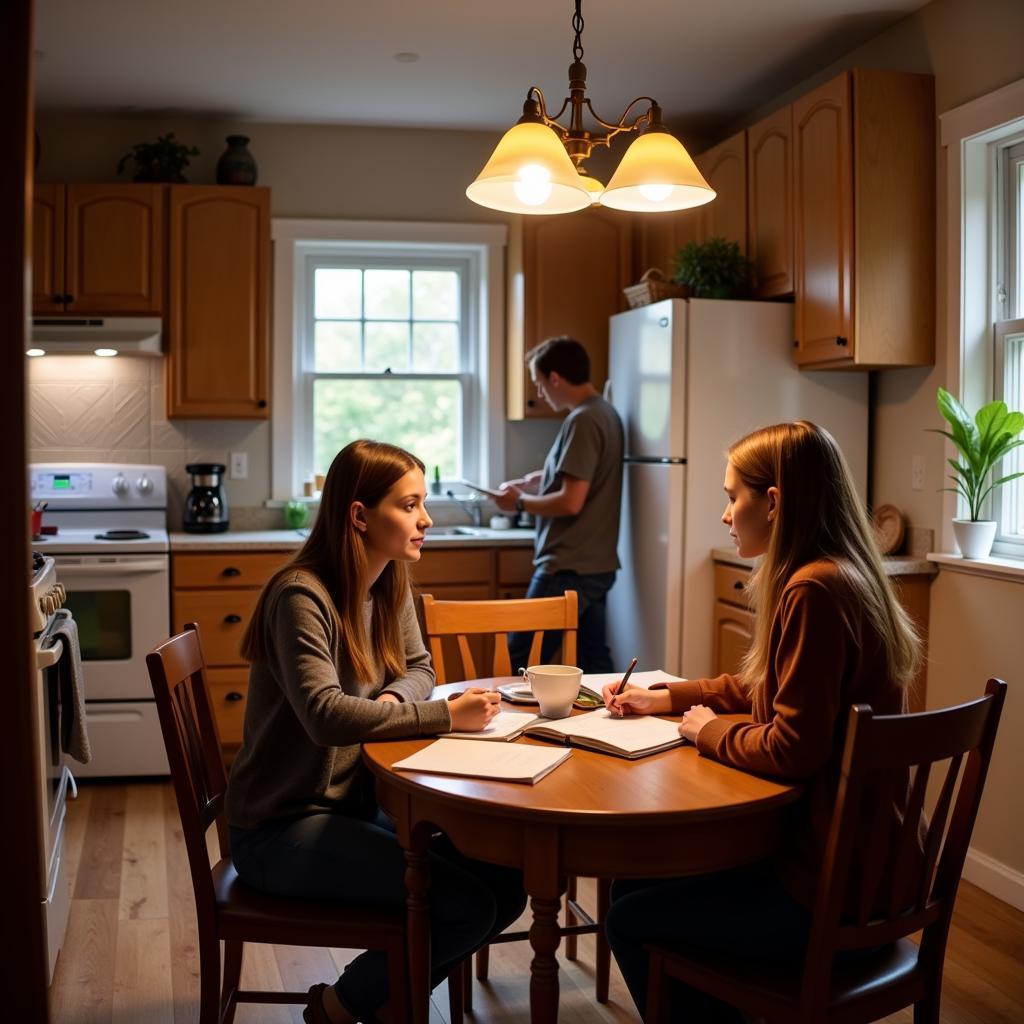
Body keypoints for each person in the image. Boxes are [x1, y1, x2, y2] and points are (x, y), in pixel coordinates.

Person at [600, 421, 922, 1022]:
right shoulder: (845, 573)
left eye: (731, 497)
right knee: (630, 884)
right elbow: (775, 688)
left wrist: (706, 730)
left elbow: (793, 746)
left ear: (772, 502)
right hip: (879, 878)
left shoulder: (813, 590)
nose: (725, 515)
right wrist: (668, 697)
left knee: (626, 915)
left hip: (828, 893)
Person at [226, 439, 526, 1024]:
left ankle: (383, 1002)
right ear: (360, 516)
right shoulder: (300, 595)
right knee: (461, 903)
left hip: (351, 804)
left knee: (508, 882)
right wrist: (443, 714)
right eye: (409, 505)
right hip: (280, 826)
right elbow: (326, 716)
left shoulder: (387, 582)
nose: (426, 518)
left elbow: (420, 669)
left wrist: (391, 700)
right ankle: (339, 1008)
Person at [495, 335, 624, 673]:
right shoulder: (604, 412)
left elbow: (571, 501)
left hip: (568, 566)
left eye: (539, 383)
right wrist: (536, 480)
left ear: (555, 378)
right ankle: (610, 724)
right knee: (594, 660)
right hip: (595, 564)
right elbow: (580, 474)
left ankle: (513, 726)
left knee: (521, 656)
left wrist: (520, 503)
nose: (540, 393)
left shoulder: (582, 419)